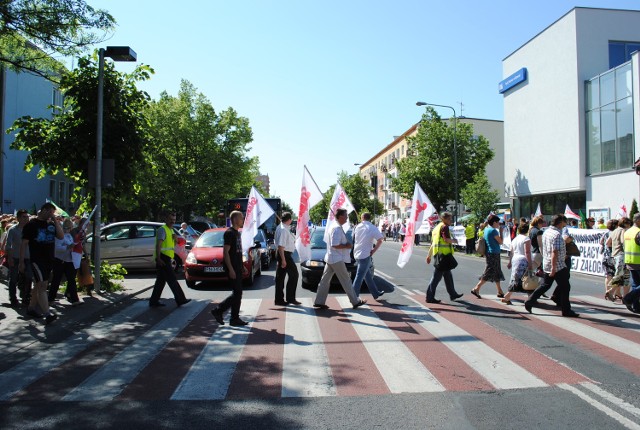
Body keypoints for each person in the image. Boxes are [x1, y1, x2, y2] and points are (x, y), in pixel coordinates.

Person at [525, 214, 579, 317]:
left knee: (545, 285)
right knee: (565, 287)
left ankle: (530, 301)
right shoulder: (557, 234)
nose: (565, 223)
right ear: (560, 222)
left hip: (548, 263)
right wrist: (554, 268)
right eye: (564, 221)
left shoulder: (547, 232)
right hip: (557, 265)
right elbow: (555, 252)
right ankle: (566, 310)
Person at [19, 202, 64, 324]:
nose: (51, 215)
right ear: (44, 210)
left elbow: (61, 236)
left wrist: (55, 220)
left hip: (49, 259)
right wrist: (21, 261)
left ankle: (31, 308)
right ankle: (47, 313)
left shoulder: (51, 224)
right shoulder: (31, 225)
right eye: (50, 212)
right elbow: (24, 244)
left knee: (39, 285)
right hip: (37, 260)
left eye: (53, 213)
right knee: (42, 286)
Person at [313, 208, 366, 310]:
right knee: (346, 280)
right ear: (341, 216)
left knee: (324, 281)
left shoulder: (334, 226)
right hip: (336, 258)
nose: (347, 218)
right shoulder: (337, 228)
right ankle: (355, 301)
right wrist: (347, 246)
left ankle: (319, 301)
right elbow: (335, 244)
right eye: (346, 216)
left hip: (330, 258)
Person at [211, 210, 249, 326]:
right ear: (235, 219)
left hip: (237, 266)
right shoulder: (229, 233)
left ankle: (234, 318)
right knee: (237, 293)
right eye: (241, 218)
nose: (243, 220)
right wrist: (231, 269)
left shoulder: (237, 233)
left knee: (238, 293)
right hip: (232, 268)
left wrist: (242, 266)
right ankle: (218, 310)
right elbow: (226, 253)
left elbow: (237, 252)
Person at [149, 211, 190, 308]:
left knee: (160, 281)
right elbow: (158, 245)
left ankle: (153, 301)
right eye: (171, 219)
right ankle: (181, 299)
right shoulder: (162, 230)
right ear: (166, 219)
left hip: (166, 258)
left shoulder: (171, 230)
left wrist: (175, 239)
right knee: (172, 279)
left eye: (174, 220)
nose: (172, 221)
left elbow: (173, 245)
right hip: (163, 258)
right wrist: (158, 258)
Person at [425, 212, 463, 304]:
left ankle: (453, 294)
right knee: (436, 278)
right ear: (444, 219)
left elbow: (433, 243)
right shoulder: (444, 227)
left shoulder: (437, 227)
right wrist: (454, 240)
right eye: (449, 219)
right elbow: (446, 239)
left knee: (448, 275)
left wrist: (429, 255)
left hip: (439, 254)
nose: (451, 220)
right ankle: (429, 297)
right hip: (443, 256)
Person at [48, 218, 82, 305]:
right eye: (68, 227)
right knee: (56, 279)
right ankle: (50, 299)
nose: (69, 229)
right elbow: (57, 249)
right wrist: (67, 247)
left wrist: (74, 247)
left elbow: (71, 245)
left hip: (69, 260)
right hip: (60, 260)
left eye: (70, 227)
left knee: (71, 280)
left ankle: (74, 299)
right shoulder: (59, 236)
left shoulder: (69, 235)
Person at [471, 215, 505, 299]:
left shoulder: (486, 229)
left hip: (490, 253)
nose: (499, 224)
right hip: (493, 253)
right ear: (494, 222)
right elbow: (500, 242)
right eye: (498, 222)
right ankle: (476, 288)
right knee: (489, 272)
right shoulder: (494, 231)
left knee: (497, 271)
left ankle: (499, 291)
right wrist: (501, 232)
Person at [352, 212, 384, 300]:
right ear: (369, 218)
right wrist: (373, 250)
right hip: (365, 254)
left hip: (356, 253)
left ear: (362, 218)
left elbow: (353, 238)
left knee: (367, 275)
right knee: (359, 276)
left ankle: (375, 293)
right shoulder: (372, 227)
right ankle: (354, 296)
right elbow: (380, 240)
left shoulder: (357, 227)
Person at [5, 210, 32, 307]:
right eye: (24, 217)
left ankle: (26, 297)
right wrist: (10, 258)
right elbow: (8, 245)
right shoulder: (12, 230)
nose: (26, 219)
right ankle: (13, 298)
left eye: (27, 216)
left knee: (29, 276)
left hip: (28, 258)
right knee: (13, 278)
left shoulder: (30, 229)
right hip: (15, 257)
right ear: (19, 218)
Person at [502, 222, 532, 305]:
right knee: (525, 279)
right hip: (523, 260)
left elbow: (511, 252)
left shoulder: (515, 239)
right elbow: (527, 252)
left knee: (516, 278)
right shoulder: (526, 239)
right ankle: (530, 298)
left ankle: (530, 297)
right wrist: (530, 263)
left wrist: (510, 262)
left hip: (515, 259)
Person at [274, 212, 300, 306]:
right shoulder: (283, 229)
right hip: (284, 254)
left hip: (283, 254)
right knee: (294, 275)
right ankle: (290, 298)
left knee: (280, 278)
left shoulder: (281, 227)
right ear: (289, 220)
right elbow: (281, 246)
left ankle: (279, 299)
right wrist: (283, 260)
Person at [610, 217, 631, 302]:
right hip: (621, 255)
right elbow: (623, 241)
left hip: (615, 255)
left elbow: (608, 243)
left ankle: (625, 297)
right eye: (629, 224)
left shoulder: (614, 231)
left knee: (626, 277)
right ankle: (611, 291)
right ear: (625, 224)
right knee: (619, 276)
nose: (629, 226)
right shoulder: (622, 230)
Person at [622, 214, 640, 313]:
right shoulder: (639, 232)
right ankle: (628, 297)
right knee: (636, 284)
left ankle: (636, 306)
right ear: (638, 221)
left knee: (636, 284)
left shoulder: (628, 232)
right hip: (638, 261)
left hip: (630, 260)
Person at [601, 219, 618, 301]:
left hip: (605, 256)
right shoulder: (614, 233)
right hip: (612, 256)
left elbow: (601, 242)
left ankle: (607, 291)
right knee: (616, 275)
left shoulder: (606, 233)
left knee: (608, 275)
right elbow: (608, 243)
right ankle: (612, 292)